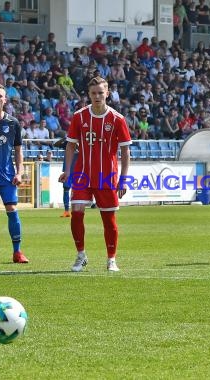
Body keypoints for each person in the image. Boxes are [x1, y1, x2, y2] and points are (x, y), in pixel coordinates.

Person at [58, 77, 131, 273]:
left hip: (106, 175)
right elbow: (71, 145)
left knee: (109, 220)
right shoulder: (79, 117)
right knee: (76, 214)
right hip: (82, 174)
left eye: (101, 92)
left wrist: (123, 179)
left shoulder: (117, 119)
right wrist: (67, 170)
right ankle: (81, 255)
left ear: (107, 93)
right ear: (88, 95)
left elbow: (125, 151)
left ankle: (111, 259)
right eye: (93, 93)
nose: (97, 96)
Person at [0, 84, 29, 264]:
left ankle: (17, 252)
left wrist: (19, 172)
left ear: (5, 99)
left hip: (7, 176)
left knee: (12, 209)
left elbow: (18, 150)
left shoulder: (13, 123)